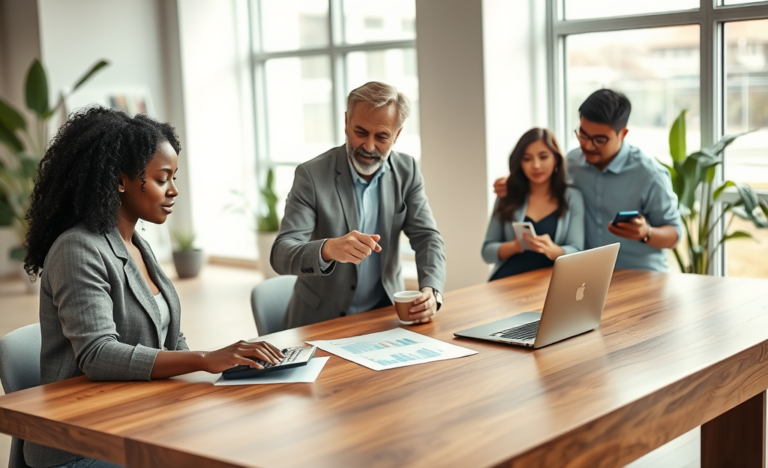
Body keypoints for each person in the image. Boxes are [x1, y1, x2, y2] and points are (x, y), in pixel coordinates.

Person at [23, 107, 284, 468]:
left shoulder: (137, 244)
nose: (174, 190)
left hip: (139, 418)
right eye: (163, 178)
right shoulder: (77, 249)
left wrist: (228, 372)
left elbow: (170, 336)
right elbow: (97, 354)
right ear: (120, 180)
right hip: (82, 443)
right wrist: (206, 360)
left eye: (174, 177)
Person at [271, 81, 446, 329]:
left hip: (384, 318)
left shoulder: (408, 171)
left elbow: (427, 237)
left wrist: (432, 290)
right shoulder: (311, 175)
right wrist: (328, 250)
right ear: (346, 122)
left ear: (396, 135)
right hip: (320, 322)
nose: (369, 146)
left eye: (382, 136)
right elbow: (281, 254)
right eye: (360, 132)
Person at [494, 89, 682, 271]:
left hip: (642, 274)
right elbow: (541, 183)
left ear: (623, 134)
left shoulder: (650, 176)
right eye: (583, 135)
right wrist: (512, 183)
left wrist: (646, 233)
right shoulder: (571, 163)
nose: (588, 146)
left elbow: (674, 235)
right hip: (589, 277)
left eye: (600, 140)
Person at [482, 128, 584, 281]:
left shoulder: (572, 197)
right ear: (520, 162)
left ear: (556, 159)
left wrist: (554, 250)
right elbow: (487, 252)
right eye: (527, 159)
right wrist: (515, 246)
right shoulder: (507, 195)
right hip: (506, 283)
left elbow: (577, 251)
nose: (536, 165)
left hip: (551, 283)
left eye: (543, 157)